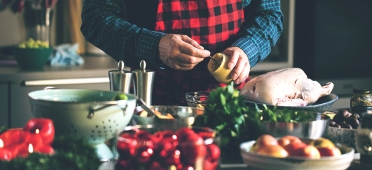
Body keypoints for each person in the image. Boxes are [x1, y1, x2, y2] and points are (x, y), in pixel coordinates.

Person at [81, 0, 283, 106]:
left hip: (228, 106)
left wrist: (247, 49)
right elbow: (95, 18)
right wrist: (153, 46)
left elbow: (269, 14)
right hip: (151, 105)